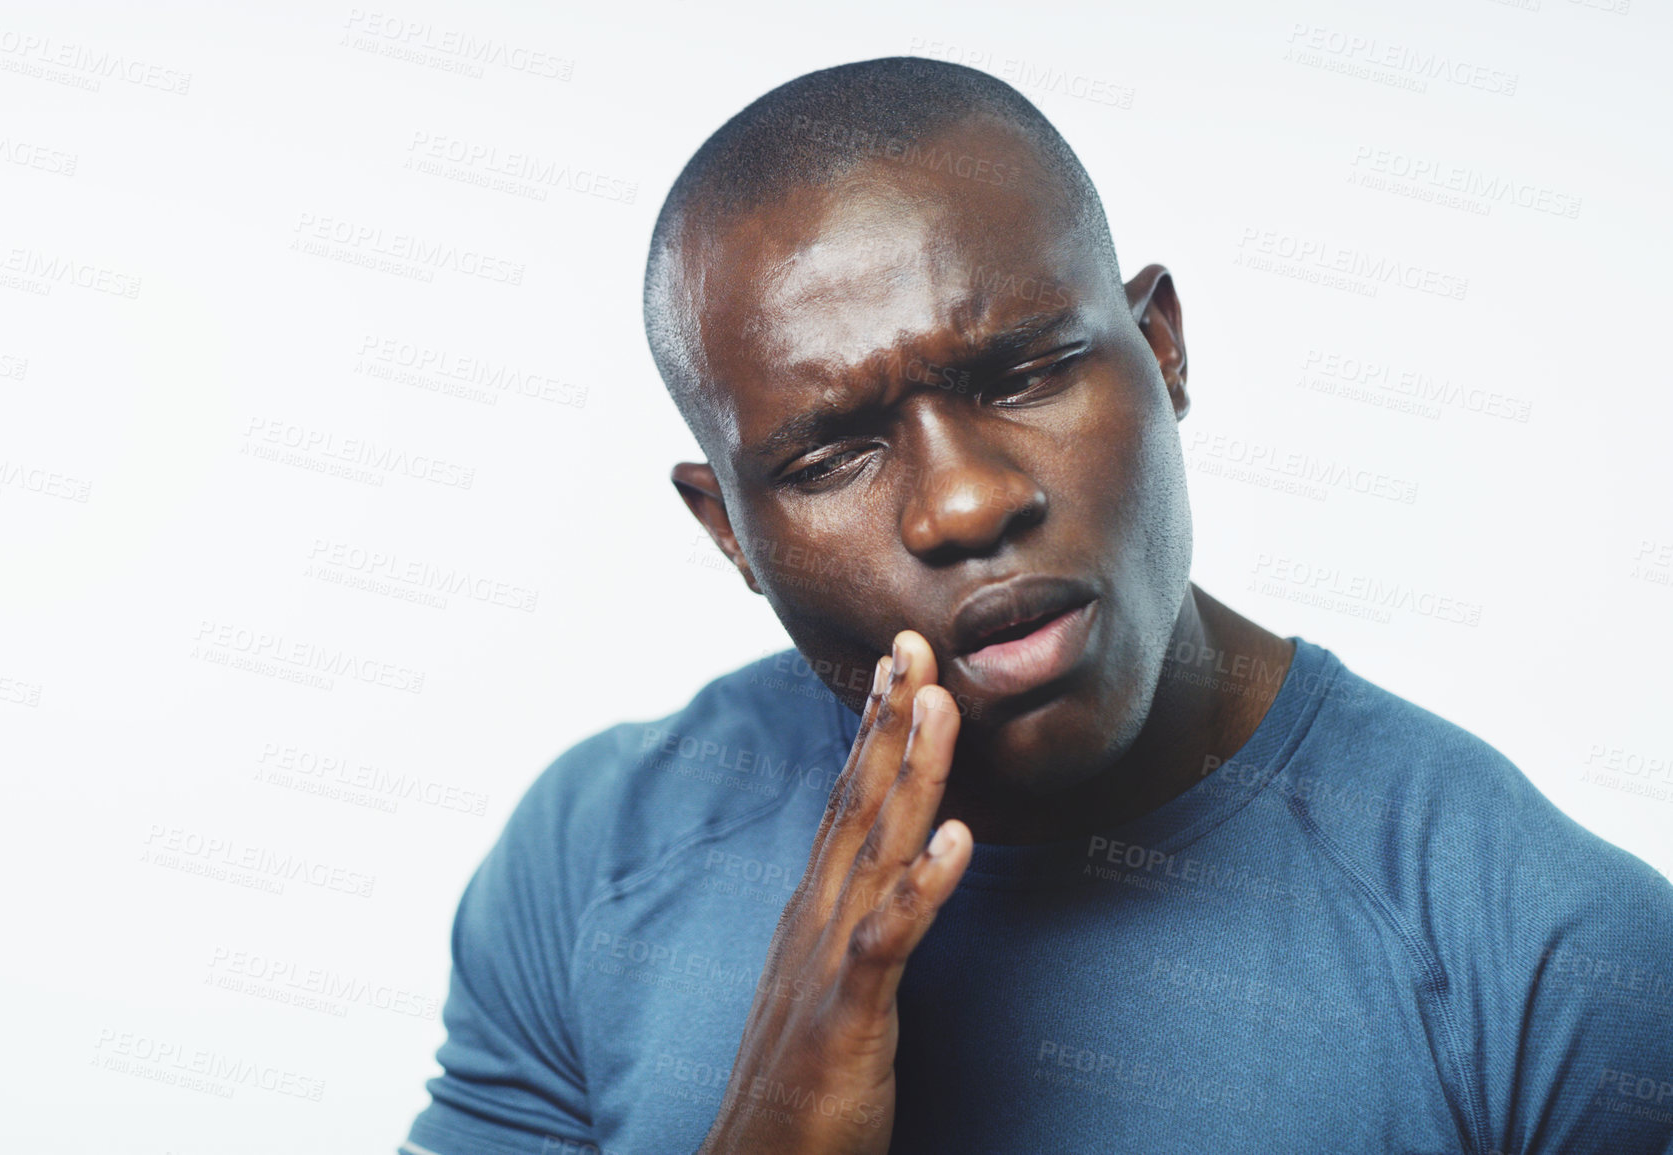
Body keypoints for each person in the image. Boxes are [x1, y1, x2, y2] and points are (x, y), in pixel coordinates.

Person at [400, 57, 1673, 1155]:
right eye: (831, 454)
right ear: (729, 530)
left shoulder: (1555, 959)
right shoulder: (594, 858)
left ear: (1163, 351)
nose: (960, 506)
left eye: (1023, 373)